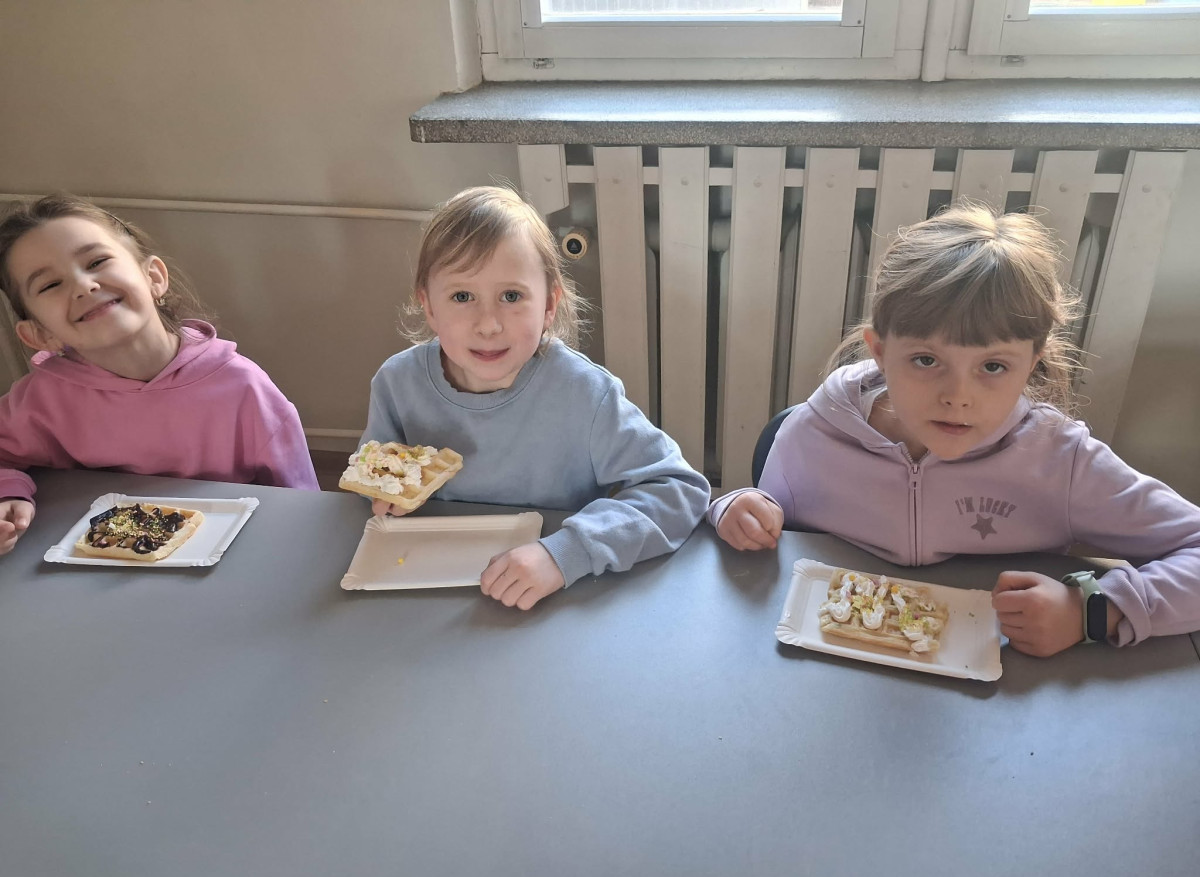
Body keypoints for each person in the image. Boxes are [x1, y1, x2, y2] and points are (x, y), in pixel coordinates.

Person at [711, 200, 1200, 657]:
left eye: (993, 366)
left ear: (1032, 363)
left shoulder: (1061, 460)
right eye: (926, 360)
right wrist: (733, 508)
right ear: (880, 351)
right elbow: (762, 525)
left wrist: (1091, 611)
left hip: (1000, 689)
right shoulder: (813, 434)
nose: (958, 396)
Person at [360, 185, 710, 611]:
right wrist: (383, 493)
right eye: (462, 296)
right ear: (429, 307)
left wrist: (566, 553)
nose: (488, 324)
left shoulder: (584, 394)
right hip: (426, 592)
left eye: (511, 296)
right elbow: (373, 474)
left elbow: (678, 490)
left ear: (549, 305)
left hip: (556, 595)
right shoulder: (397, 385)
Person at [0, 194, 319, 556]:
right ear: (38, 335)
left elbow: (303, 510)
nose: (83, 286)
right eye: (49, 285)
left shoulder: (243, 387)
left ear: (154, 277)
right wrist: (9, 494)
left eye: (97, 262)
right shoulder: (41, 399)